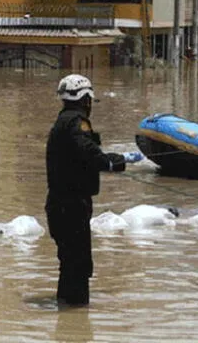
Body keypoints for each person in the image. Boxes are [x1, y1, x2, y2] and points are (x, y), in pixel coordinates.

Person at [45, 74, 142, 306]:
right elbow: (88, 153)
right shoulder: (78, 122)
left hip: (59, 204)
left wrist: (115, 159)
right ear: (85, 99)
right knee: (78, 264)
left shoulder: (62, 121)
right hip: (72, 205)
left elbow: (79, 156)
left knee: (69, 263)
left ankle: (67, 321)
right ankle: (77, 324)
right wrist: (114, 162)